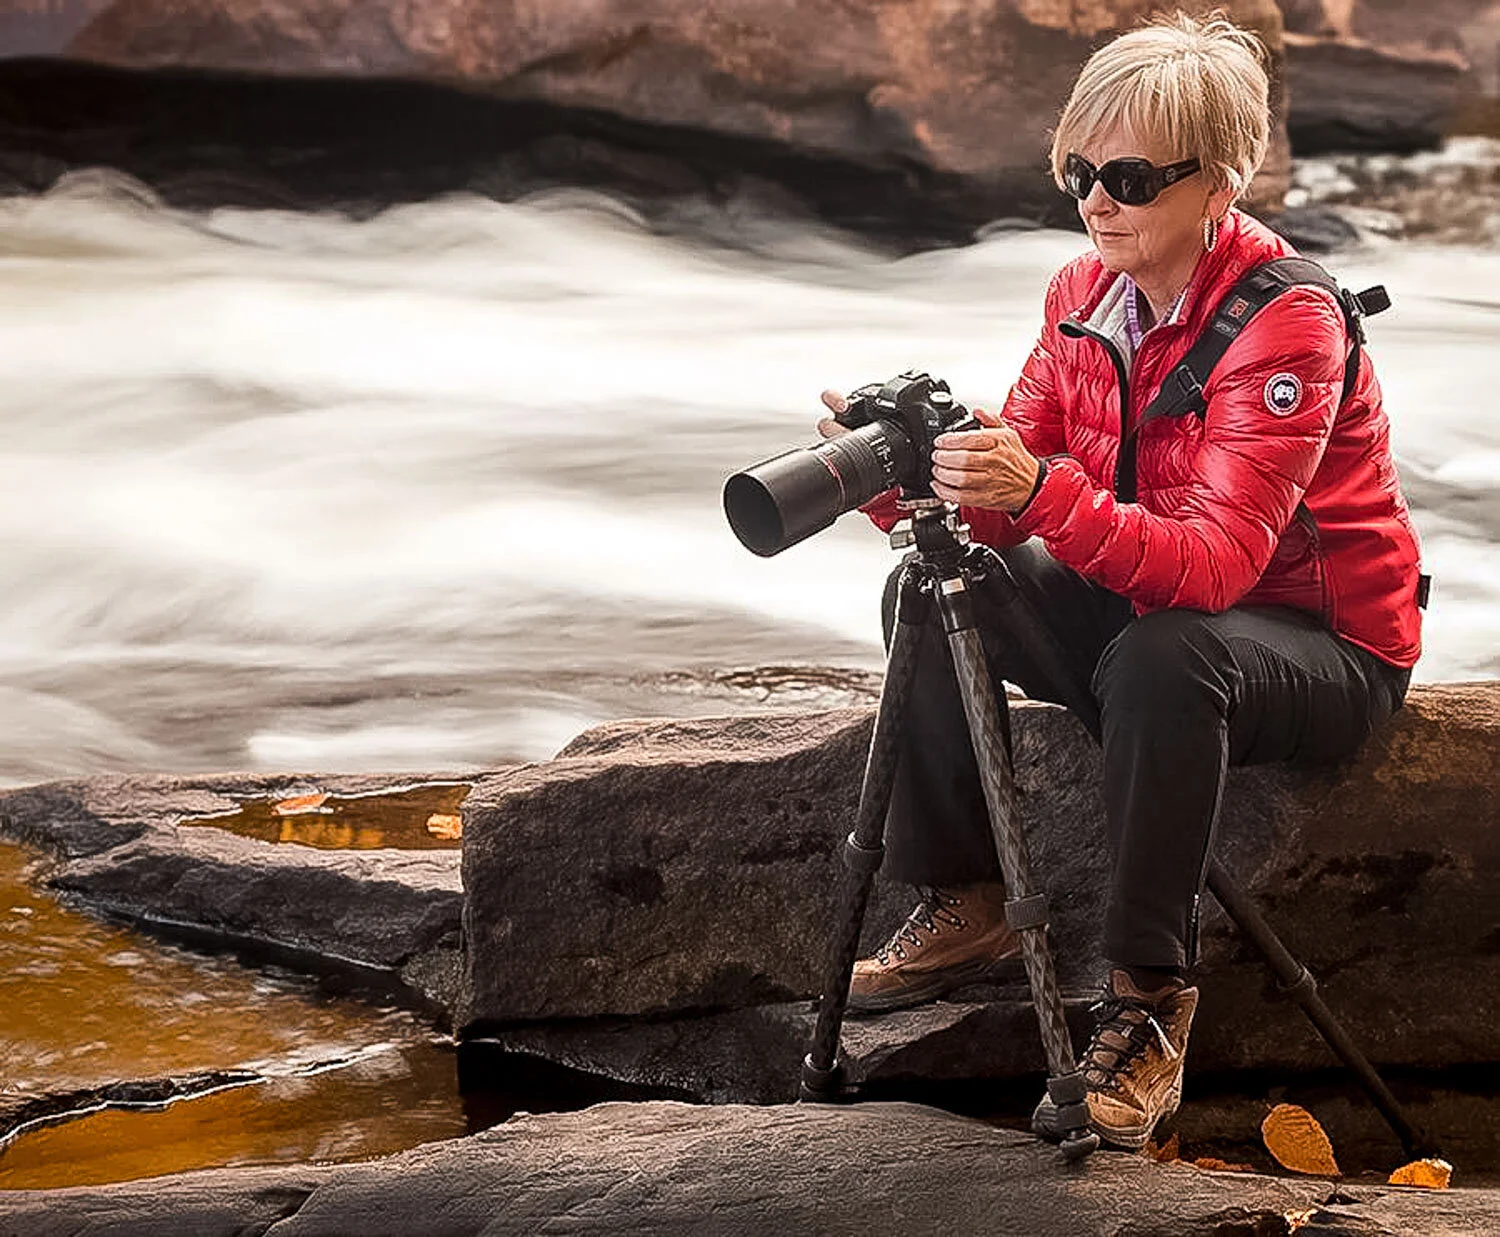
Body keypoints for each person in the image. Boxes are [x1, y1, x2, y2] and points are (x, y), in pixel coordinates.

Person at [818, 14, 1423, 1152]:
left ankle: (1147, 997)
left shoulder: (1290, 321)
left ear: (1221, 182)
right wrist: (902, 482)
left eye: (1132, 178)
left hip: (1326, 642)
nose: (1098, 202)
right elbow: (1007, 498)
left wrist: (1040, 490)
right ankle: (968, 901)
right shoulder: (1081, 294)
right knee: (937, 581)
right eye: (1079, 172)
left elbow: (1215, 566)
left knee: (1163, 653)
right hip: (1162, 607)